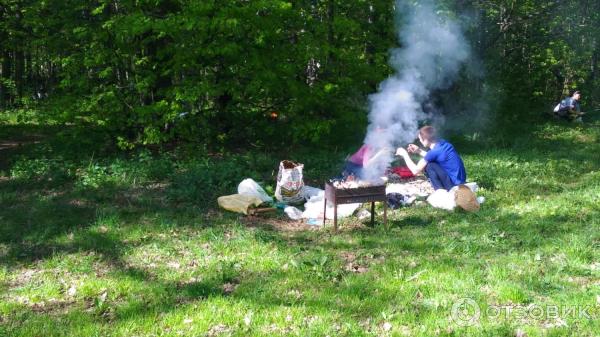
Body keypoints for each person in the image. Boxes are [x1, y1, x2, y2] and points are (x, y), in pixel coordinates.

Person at [395, 126, 466, 191]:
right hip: (460, 181)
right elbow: (433, 156)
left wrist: (405, 154)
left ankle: (441, 192)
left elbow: (415, 171)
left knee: (430, 166)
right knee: (431, 162)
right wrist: (418, 150)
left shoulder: (433, 152)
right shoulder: (443, 143)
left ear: (425, 139)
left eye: (420, 139)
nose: (420, 141)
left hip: (454, 186)